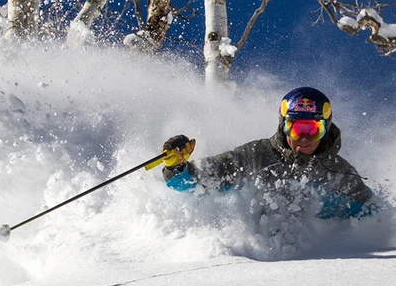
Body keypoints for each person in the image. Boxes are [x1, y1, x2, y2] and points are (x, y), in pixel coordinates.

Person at [159, 87, 374, 219]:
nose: (304, 138)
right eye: (297, 129)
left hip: (323, 263)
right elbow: (200, 182)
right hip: (260, 264)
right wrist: (176, 167)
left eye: (313, 130)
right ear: (283, 126)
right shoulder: (256, 156)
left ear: (325, 130)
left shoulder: (340, 173)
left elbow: (373, 217)